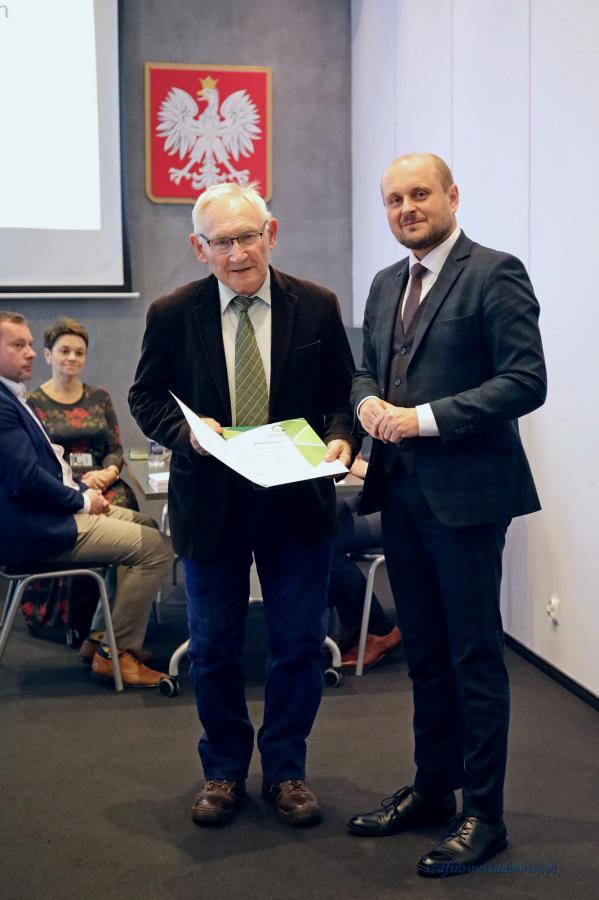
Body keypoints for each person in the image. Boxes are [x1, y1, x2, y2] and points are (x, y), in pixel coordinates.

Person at [129, 182, 355, 828]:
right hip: (212, 503)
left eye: (248, 236)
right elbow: (145, 397)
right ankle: (223, 769)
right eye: (221, 241)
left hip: (297, 502)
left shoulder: (316, 305)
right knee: (214, 648)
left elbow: (341, 395)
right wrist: (187, 432)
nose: (237, 253)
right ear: (199, 248)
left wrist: (343, 436)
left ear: (271, 234)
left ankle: (285, 770)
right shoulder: (172, 313)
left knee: (298, 645)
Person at [347, 153, 547, 877]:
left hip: (467, 499)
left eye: (419, 194)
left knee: (473, 659)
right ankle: (433, 789)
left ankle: (484, 815)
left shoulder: (494, 272)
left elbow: (525, 380)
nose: (406, 208)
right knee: (425, 655)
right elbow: (364, 369)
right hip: (399, 496)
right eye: (393, 199)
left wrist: (422, 418)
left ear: (452, 196)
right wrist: (367, 404)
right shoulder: (383, 283)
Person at [0, 311, 173, 688]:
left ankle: (99, 637)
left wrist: (83, 491)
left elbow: (49, 468)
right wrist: (81, 501)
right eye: (18, 345)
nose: (30, 352)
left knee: (145, 524)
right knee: (158, 548)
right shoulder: (3, 405)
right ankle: (118, 653)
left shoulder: (14, 396)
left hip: (53, 510)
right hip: (38, 529)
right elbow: (27, 480)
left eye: (30, 344)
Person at [26, 317, 140, 659]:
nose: (72, 358)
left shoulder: (100, 398)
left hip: (106, 481)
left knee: (130, 520)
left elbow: (115, 447)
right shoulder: (32, 403)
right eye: (65, 351)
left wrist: (109, 471)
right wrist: (79, 484)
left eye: (79, 352)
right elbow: (36, 461)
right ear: (48, 354)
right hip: (62, 487)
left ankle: (111, 623)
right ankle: (79, 620)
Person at [328, 452, 401, 669]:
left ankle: (378, 630)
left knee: (325, 544)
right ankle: (353, 627)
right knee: (315, 528)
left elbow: (392, 470)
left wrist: (349, 460)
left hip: (398, 502)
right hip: (371, 496)